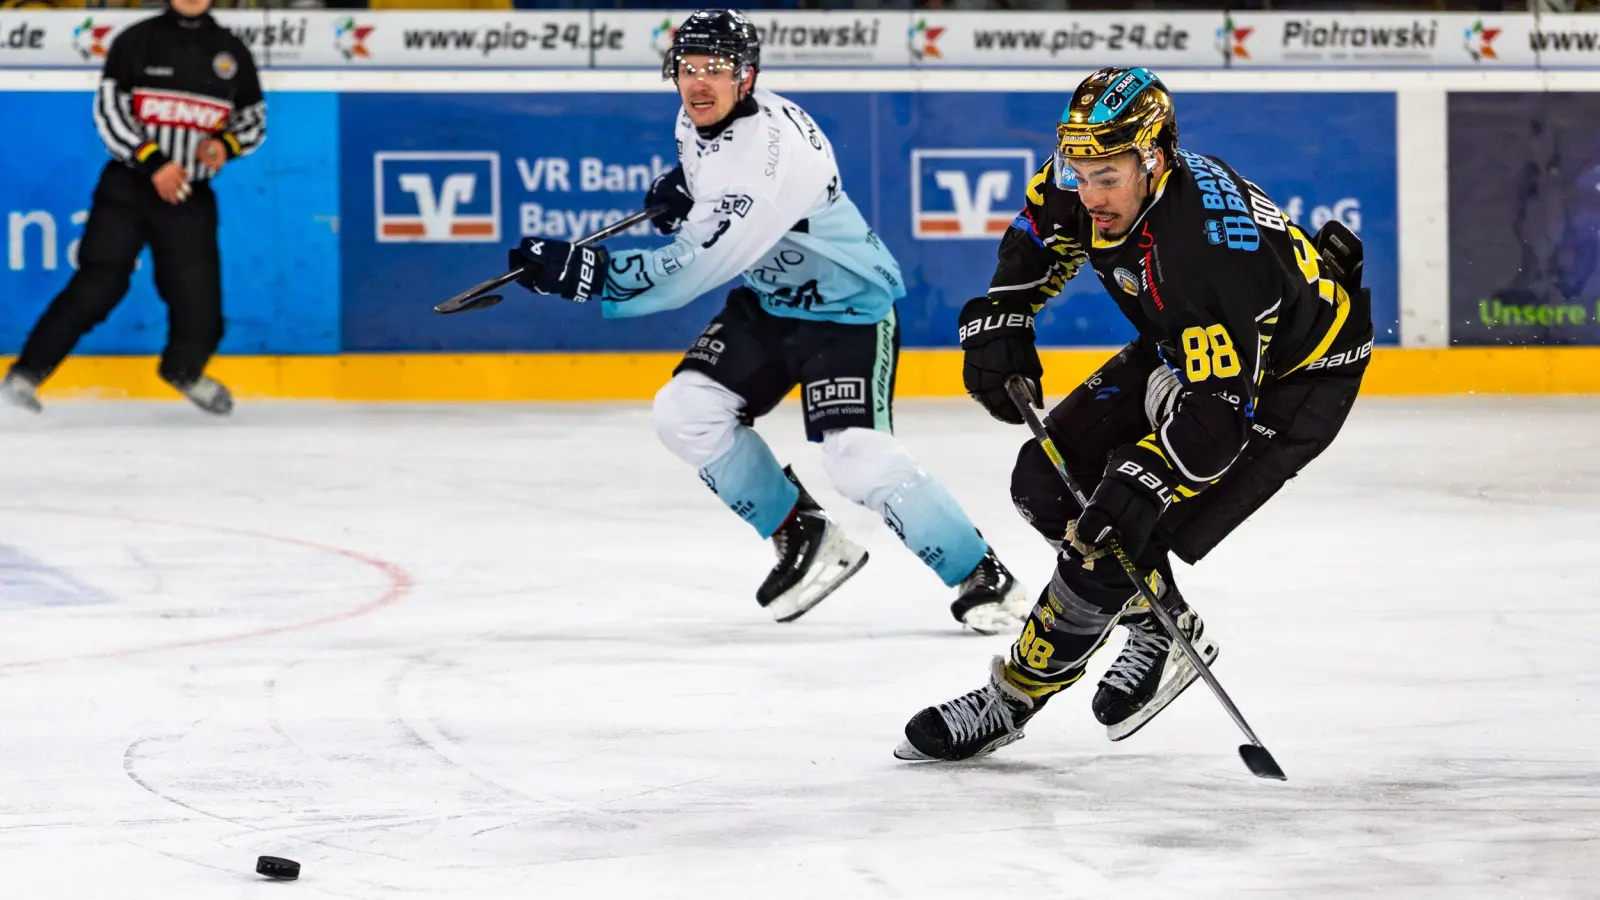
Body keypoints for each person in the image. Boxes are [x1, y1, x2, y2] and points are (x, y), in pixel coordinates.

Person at [896, 67, 1374, 761]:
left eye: (1107, 177)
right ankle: (1161, 623)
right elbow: (1038, 233)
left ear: (1155, 158)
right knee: (1046, 482)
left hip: (1292, 383)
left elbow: (1215, 423)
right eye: (1080, 172)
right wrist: (1007, 312)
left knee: (1114, 530)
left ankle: (1013, 698)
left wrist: (1143, 480)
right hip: (1190, 348)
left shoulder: (1206, 253)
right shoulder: (1094, 178)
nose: (1090, 195)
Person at [502, 9, 1030, 633]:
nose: (699, 83)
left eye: (716, 68)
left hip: (846, 310)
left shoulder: (765, 163)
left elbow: (688, 271)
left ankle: (983, 574)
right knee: (684, 412)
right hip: (770, 302)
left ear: (746, 76)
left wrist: (587, 273)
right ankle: (802, 533)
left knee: (856, 457)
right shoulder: (700, 116)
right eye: (688, 68)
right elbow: (714, 188)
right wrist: (688, 190)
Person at [0, 0, 265, 416]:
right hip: (127, 188)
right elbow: (109, 111)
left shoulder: (232, 51)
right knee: (99, 284)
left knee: (201, 307)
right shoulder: (137, 40)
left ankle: (184, 371)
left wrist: (224, 145)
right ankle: (25, 375)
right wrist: (154, 163)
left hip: (188, 196)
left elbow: (253, 120)